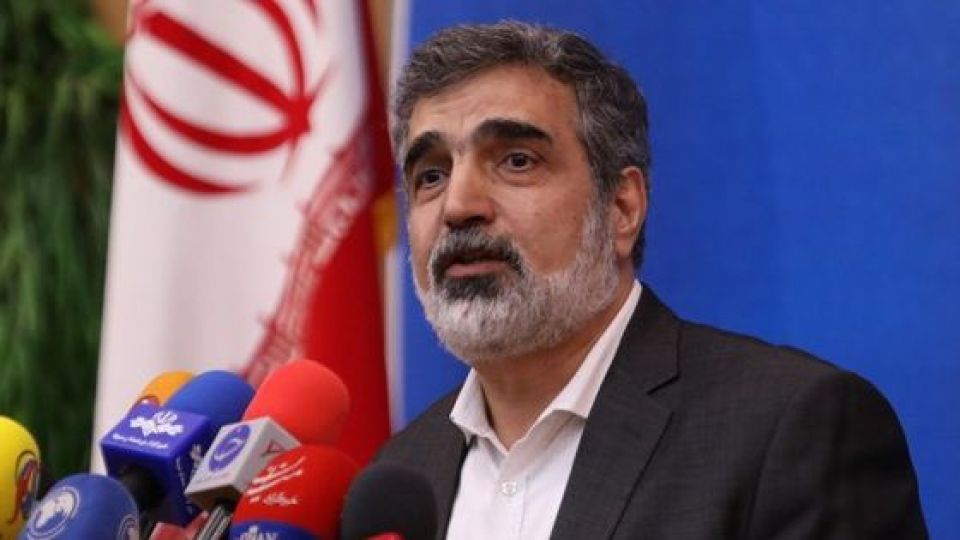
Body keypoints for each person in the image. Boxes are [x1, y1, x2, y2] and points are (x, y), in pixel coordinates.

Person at [376, 21, 927, 539]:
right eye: (431, 175)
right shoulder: (399, 473)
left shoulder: (788, 429)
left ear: (622, 209)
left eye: (517, 161)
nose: (459, 206)